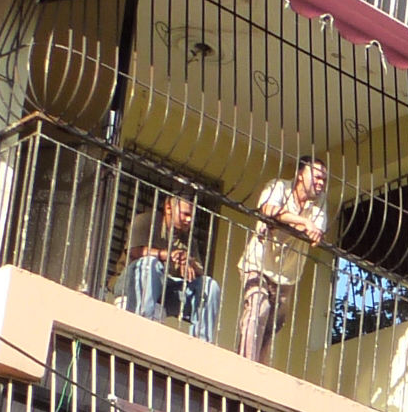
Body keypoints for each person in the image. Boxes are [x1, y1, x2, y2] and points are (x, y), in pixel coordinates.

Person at [236, 153, 328, 364]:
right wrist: (302, 223)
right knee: (258, 308)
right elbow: (268, 209)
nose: (321, 183)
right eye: (316, 177)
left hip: (287, 275)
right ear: (300, 175)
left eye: (324, 179)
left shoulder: (320, 205)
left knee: (271, 326)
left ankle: (258, 368)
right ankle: (244, 365)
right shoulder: (279, 187)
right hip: (258, 263)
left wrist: (287, 221)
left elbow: (315, 234)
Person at [116, 192, 221, 342]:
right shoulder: (146, 221)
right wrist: (166, 255)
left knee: (210, 285)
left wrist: (188, 263)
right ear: (168, 208)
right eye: (185, 214)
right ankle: (142, 323)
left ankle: (202, 341)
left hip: (166, 292)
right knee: (150, 263)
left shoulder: (189, 239)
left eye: (191, 216)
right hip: (132, 282)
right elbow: (134, 251)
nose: (189, 220)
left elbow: (200, 271)